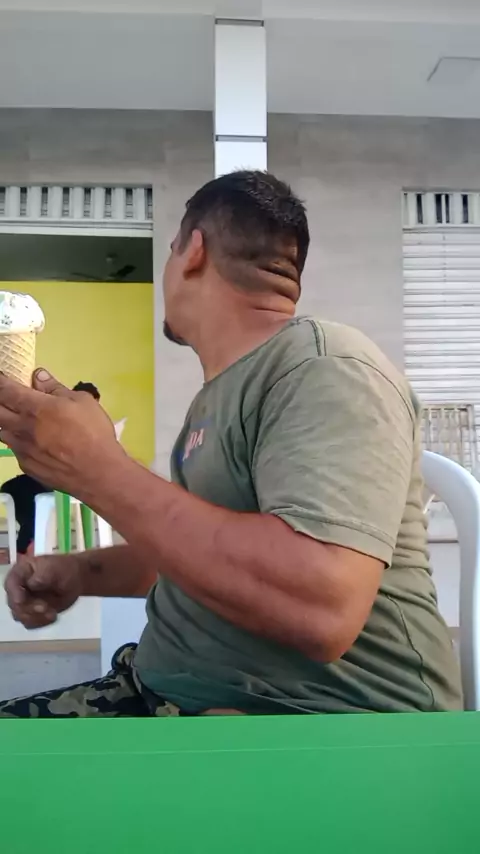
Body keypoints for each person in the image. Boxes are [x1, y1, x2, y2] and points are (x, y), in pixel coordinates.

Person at [0, 170, 462, 718]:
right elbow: (203, 557)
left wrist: (99, 470)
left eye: (169, 251)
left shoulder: (327, 368)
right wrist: (81, 572)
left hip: (318, 722)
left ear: (192, 251)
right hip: (165, 691)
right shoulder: (221, 394)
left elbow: (322, 609)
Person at [1, 381, 100, 557]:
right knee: (15, 490)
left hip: (64, 480)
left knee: (27, 495)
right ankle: (28, 544)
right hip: (51, 477)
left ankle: (26, 547)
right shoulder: (71, 423)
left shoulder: (87, 428)